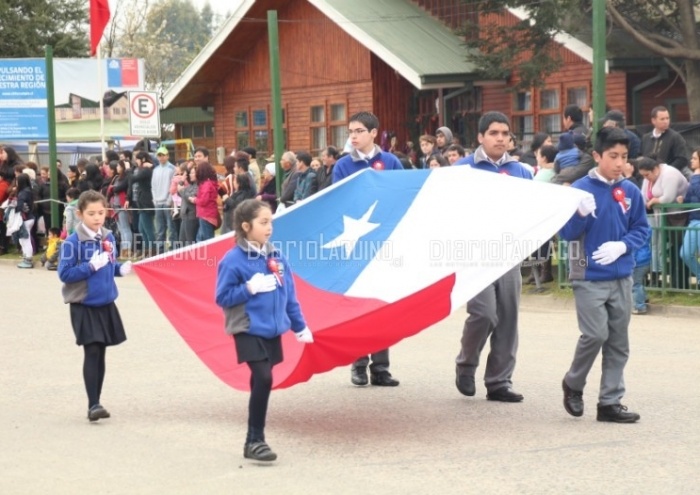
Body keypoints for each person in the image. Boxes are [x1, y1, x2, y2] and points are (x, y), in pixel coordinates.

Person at [559, 126, 650, 423]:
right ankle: (573, 382)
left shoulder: (631, 190)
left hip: (621, 274)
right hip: (588, 274)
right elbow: (567, 235)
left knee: (618, 342)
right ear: (597, 155)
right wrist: (579, 214)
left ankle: (610, 402)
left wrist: (622, 245)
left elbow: (641, 229)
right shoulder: (580, 190)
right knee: (595, 334)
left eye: (624, 156)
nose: (619, 163)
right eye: (613, 156)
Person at [215, 199, 313, 462]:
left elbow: (289, 295)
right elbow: (222, 297)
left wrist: (299, 325)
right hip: (247, 327)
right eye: (263, 222)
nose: (269, 227)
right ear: (246, 226)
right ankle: (255, 439)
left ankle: (252, 439)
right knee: (265, 378)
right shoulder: (232, 260)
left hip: (272, 330)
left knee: (260, 379)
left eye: (271, 221)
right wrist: (249, 288)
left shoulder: (276, 256)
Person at [452, 112, 531, 402]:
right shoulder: (463, 169)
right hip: (474, 254)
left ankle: (499, 381)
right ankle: (466, 364)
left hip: (508, 252)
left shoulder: (521, 171)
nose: (500, 138)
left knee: (508, 318)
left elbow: (531, 208)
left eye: (505, 133)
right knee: (484, 313)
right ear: (481, 137)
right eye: (494, 133)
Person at [332, 111, 403, 386]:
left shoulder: (391, 161)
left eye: (359, 130)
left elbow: (402, 197)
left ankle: (381, 368)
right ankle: (359, 363)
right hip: (355, 244)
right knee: (358, 305)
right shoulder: (342, 166)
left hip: (384, 242)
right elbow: (338, 201)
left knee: (381, 306)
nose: (353, 136)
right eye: (350, 131)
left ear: (374, 133)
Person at [58, 190, 133, 422]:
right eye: (91, 213)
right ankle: (93, 404)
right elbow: (65, 273)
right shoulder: (73, 242)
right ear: (80, 214)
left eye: (101, 212)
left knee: (100, 353)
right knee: (91, 350)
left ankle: (97, 401)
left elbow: (109, 264)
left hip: (105, 302)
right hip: (84, 304)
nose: (97, 217)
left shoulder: (108, 237)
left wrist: (119, 269)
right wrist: (91, 266)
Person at [640, 106, 690, 178]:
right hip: (648, 178)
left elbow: (682, 159)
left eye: (667, 118)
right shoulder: (646, 138)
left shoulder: (675, 137)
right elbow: (641, 157)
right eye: (662, 119)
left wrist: (665, 172)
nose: (666, 121)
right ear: (653, 120)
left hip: (669, 177)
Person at [678, 147, 700, 279]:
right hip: (693, 220)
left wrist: (696, 177)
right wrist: (683, 200)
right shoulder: (694, 177)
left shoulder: (695, 177)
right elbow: (692, 197)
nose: (691, 161)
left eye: (695, 158)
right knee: (685, 254)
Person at [152, 146, 176, 254]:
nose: (161, 157)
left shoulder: (172, 169)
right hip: (157, 202)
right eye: (159, 155)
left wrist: (169, 200)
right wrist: (154, 199)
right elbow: (153, 186)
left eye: (163, 155)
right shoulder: (155, 170)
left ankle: (172, 249)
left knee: (171, 227)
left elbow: (173, 185)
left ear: (167, 156)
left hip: (168, 202)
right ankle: (160, 251)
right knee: (159, 229)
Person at [15, 173, 36, 269]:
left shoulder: (23, 192)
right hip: (29, 217)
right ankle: (26, 257)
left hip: (25, 218)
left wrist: (14, 209)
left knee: (25, 239)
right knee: (23, 239)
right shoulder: (29, 190)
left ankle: (28, 259)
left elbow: (19, 205)